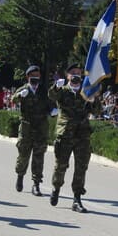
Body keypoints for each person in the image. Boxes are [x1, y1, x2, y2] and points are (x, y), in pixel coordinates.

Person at [48, 63, 101, 213]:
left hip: (82, 134)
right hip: (65, 134)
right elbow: (51, 96)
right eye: (73, 73)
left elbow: (98, 111)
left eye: (79, 72)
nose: (76, 75)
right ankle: (56, 188)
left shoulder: (86, 92)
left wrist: (94, 100)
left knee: (81, 168)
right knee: (61, 165)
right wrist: (56, 87)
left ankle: (77, 199)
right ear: (67, 76)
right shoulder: (62, 91)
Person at [12, 65, 50, 196]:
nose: (35, 77)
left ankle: (36, 184)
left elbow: (51, 104)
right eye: (33, 75)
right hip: (26, 128)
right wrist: (19, 96)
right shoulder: (23, 89)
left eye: (37, 75)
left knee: (39, 157)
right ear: (28, 77)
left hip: (41, 128)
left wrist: (53, 111)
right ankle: (20, 176)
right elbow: (13, 100)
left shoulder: (44, 91)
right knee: (23, 155)